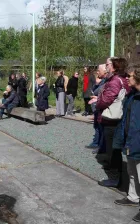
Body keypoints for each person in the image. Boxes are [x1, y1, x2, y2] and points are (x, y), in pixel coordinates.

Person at [96, 57, 131, 188]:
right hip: (117, 118)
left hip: (112, 120)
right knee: (114, 148)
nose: (106, 67)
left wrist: (98, 102)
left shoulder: (115, 80)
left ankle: (114, 178)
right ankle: (116, 175)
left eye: (108, 65)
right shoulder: (122, 79)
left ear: (115, 67)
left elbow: (106, 99)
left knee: (113, 149)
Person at [113, 68, 140, 222]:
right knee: (132, 171)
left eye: (130, 76)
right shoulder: (131, 95)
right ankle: (133, 197)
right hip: (131, 139)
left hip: (138, 140)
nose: (127, 79)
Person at [87, 65, 107, 153]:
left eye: (99, 70)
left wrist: (97, 85)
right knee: (97, 126)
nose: (97, 72)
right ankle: (96, 142)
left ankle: (100, 146)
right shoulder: (101, 81)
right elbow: (94, 90)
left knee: (100, 127)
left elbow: (96, 92)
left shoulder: (105, 81)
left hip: (101, 107)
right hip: (97, 106)